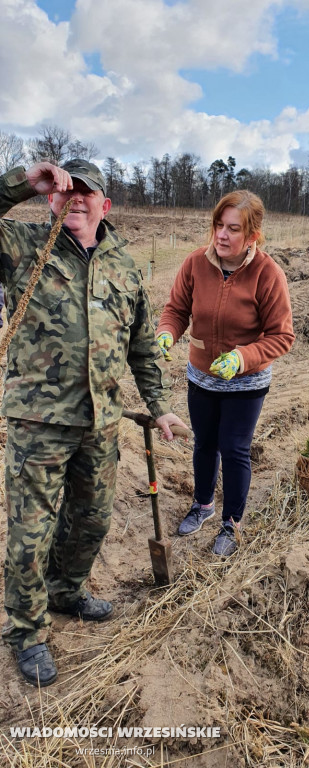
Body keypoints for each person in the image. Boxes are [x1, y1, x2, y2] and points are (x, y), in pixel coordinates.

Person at [0, 159, 187, 687]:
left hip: (100, 422)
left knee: (91, 520)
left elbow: (144, 347)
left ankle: (65, 590)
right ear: (52, 201)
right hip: (38, 420)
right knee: (30, 533)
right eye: (67, 192)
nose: (76, 199)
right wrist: (21, 183)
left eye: (88, 193)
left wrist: (160, 403)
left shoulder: (124, 268)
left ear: (106, 205)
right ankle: (27, 631)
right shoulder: (22, 248)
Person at [157, 190, 294, 558]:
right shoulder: (194, 264)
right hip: (201, 377)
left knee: (234, 449)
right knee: (203, 443)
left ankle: (231, 523)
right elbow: (176, 309)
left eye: (233, 229)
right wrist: (167, 332)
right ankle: (203, 505)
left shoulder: (267, 273)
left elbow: (282, 336)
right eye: (219, 225)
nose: (222, 235)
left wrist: (243, 357)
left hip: (246, 382)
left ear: (252, 236)